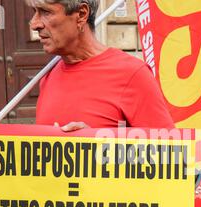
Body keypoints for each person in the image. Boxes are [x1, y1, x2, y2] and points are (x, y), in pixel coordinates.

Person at [27, 0, 175, 131]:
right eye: (35, 12)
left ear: (81, 14)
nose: (34, 24)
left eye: (45, 12)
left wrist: (99, 148)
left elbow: (169, 155)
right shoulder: (47, 76)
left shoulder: (132, 74)